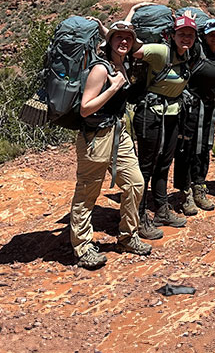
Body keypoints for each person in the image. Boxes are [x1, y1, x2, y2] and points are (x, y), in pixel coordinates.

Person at [70, 20, 151, 269]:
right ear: (110, 42)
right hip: (96, 138)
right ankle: (82, 248)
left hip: (119, 134)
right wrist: (113, 88)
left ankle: (127, 237)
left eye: (128, 38)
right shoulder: (101, 70)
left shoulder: (122, 64)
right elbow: (85, 109)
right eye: (119, 38)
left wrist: (115, 29)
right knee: (87, 193)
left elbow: (141, 48)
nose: (124, 41)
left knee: (136, 183)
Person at [128, 3, 201, 238]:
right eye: (182, 34)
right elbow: (133, 49)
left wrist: (187, 19)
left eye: (190, 35)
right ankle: (138, 217)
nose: (186, 39)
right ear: (172, 35)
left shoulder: (189, 53)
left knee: (164, 164)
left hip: (172, 115)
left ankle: (161, 210)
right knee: (145, 167)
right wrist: (128, 20)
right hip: (150, 115)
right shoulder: (161, 51)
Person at [174, 18, 215, 215]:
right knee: (186, 148)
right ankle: (184, 192)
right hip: (191, 109)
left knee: (204, 147)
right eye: (211, 33)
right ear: (204, 35)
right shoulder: (196, 51)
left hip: (210, 108)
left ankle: (199, 186)